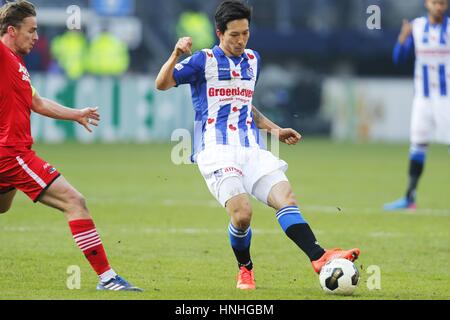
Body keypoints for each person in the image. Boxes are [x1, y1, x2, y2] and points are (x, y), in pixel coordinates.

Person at [155, 0, 360, 290]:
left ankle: (319, 257)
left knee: (285, 198)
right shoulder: (203, 61)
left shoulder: (253, 60)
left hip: (251, 148)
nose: (241, 41)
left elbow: (245, 106)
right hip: (216, 149)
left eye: (245, 33)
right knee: (242, 216)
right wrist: (175, 54)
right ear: (219, 33)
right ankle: (245, 267)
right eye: (234, 35)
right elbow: (161, 84)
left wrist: (274, 130)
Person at [0, 0, 142, 291]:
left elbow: (37, 102)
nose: (37, 37)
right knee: (75, 202)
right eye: (32, 30)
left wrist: (75, 114)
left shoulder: (17, 63)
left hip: (7, 156)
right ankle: (108, 278)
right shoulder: (2, 54)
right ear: (12, 31)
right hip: (14, 155)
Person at [385, 0, 450, 211]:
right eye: (435, 3)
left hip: (446, 98)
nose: (439, 7)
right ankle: (409, 197)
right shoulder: (417, 26)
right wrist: (402, 40)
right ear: (427, 4)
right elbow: (398, 59)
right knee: (418, 144)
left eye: (443, 3)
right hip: (422, 98)